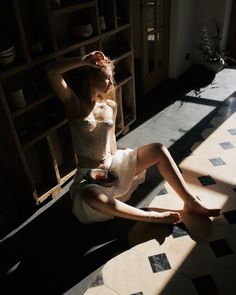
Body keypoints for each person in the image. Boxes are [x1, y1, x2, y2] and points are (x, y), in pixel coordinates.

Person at [45, 51, 221, 225]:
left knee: (158, 149)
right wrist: (84, 60)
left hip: (110, 164)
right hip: (88, 175)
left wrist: (123, 164)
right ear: (91, 78)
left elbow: (111, 142)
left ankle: (191, 201)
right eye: (107, 78)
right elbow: (50, 71)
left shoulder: (110, 106)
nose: (111, 83)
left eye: (111, 78)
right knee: (90, 196)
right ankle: (152, 217)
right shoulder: (74, 104)